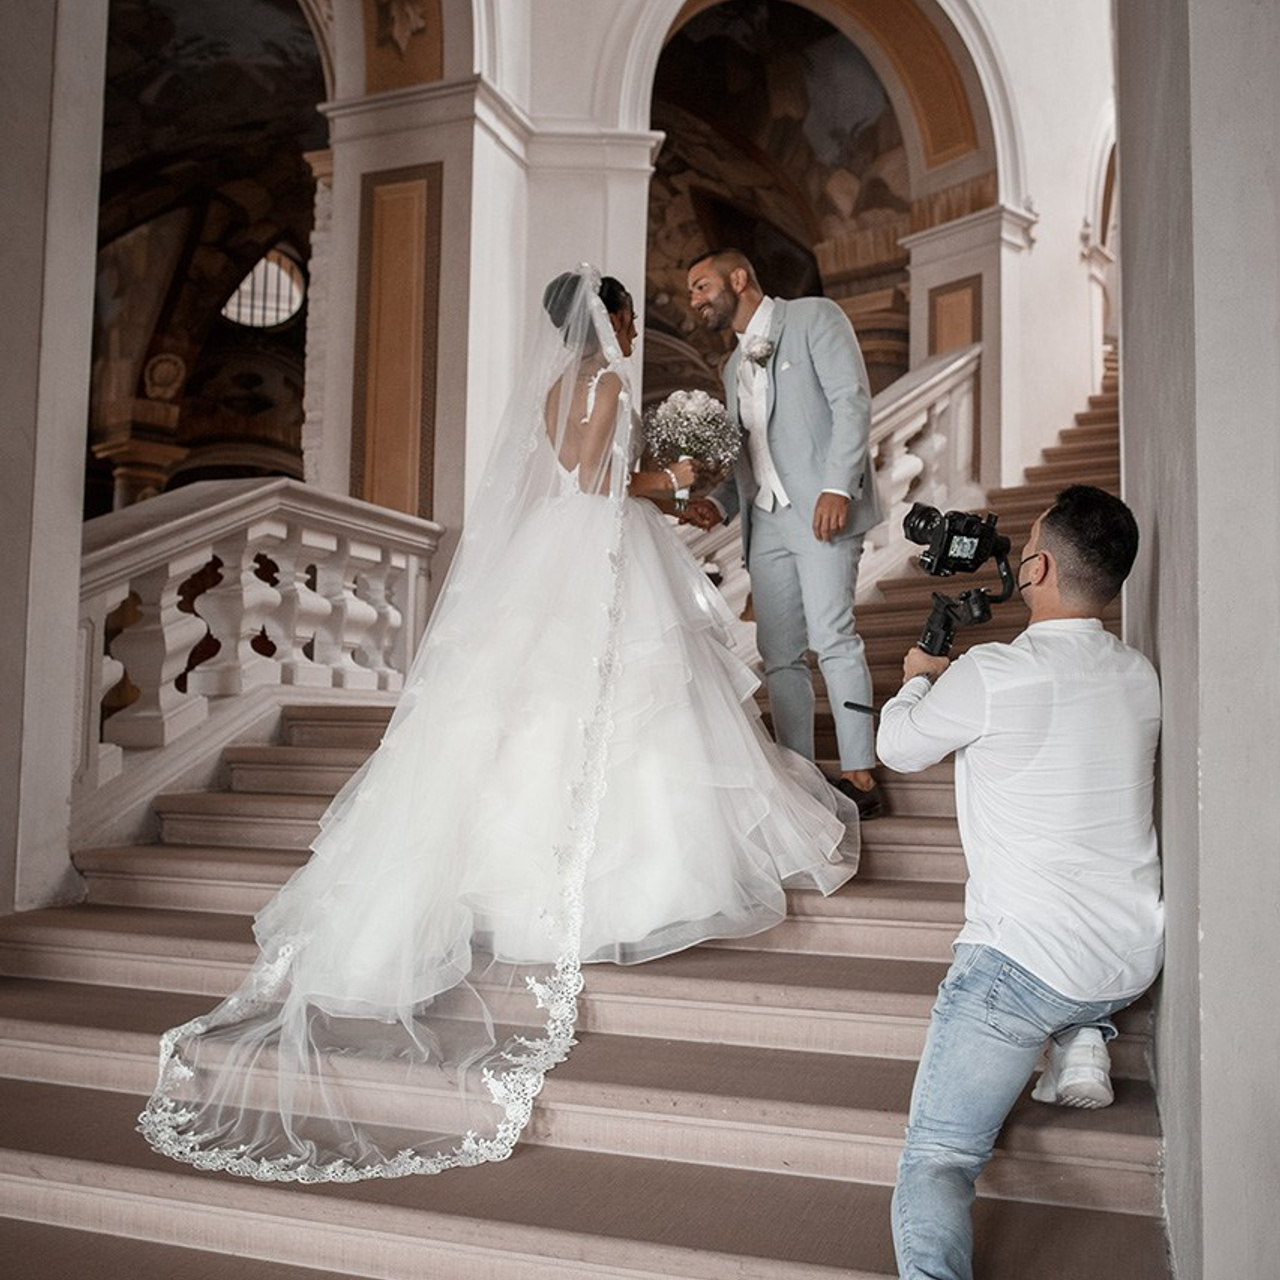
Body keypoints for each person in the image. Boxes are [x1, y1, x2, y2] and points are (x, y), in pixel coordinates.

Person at [139, 264, 860, 1183]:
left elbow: (578, 474)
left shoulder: (560, 387)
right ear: (609, 320)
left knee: (550, 716)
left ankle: (533, 886)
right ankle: (631, 888)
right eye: (629, 317)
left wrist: (667, 488)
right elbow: (599, 480)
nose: (635, 330)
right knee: (626, 702)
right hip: (602, 552)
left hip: (558, 553)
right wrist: (676, 475)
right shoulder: (606, 384)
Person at [876, 485, 1164, 1280]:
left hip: (1019, 975)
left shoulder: (993, 675)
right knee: (1073, 956)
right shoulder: (1140, 674)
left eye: (1027, 546)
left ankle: (1072, 1029)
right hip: (1129, 956)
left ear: (1035, 569)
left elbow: (897, 748)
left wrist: (919, 677)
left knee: (936, 1159)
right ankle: (1085, 1032)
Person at [681, 249, 885, 816]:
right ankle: (801, 777)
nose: (694, 300)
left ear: (738, 278)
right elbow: (750, 454)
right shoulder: (731, 367)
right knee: (778, 654)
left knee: (833, 637)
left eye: (701, 286)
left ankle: (861, 772)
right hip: (765, 521)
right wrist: (718, 505)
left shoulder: (816, 317)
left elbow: (851, 403)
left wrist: (838, 487)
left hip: (822, 509)